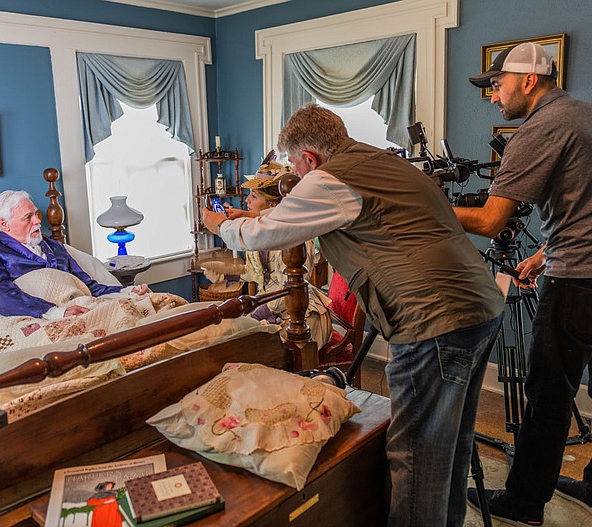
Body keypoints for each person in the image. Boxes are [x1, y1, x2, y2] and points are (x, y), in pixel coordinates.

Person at [202, 104, 505, 526]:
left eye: (294, 164)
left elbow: (258, 236)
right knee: (448, 444)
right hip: (481, 307)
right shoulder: (382, 162)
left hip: (432, 318)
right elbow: (303, 217)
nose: (293, 172)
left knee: (415, 452)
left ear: (310, 158)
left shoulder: (328, 179)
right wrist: (255, 214)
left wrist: (220, 224)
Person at [456, 42, 592, 526]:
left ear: (528, 81)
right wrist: (546, 252)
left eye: (497, 85)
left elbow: (488, 221)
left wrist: (420, 206)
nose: (493, 97)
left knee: (548, 394)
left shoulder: (540, 128)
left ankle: (524, 504)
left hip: (585, 282)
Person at [206, 160, 332, 348]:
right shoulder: (260, 233)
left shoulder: (295, 238)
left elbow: (288, 291)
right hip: (269, 310)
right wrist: (224, 273)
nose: (247, 201)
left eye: (254, 196)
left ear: (273, 204)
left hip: (300, 317)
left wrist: (252, 315)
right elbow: (255, 272)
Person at [0, 190, 148, 319]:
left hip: (81, 305)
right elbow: (1, 296)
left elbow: (89, 287)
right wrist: (55, 312)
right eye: (28, 217)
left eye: (36, 214)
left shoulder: (54, 246)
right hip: (38, 316)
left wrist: (127, 291)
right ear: (4, 224)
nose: (38, 220)